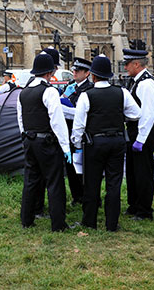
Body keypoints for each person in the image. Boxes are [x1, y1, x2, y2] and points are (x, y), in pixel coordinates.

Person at [71, 56, 141, 231]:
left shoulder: (87, 95)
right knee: (114, 183)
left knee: (91, 183)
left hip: (95, 142)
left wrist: (77, 144)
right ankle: (112, 223)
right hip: (117, 141)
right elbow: (136, 114)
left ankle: (90, 221)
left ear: (93, 76)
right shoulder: (122, 92)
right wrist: (119, 117)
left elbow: (79, 125)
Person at [17, 53, 72, 232]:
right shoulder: (49, 91)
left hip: (29, 140)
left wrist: (25, 137)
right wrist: (66, 147)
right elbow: (57, 121)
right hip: (46, 141)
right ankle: (58, 224)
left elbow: (20, 119)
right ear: (49, 73)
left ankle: (26, 219)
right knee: (54, 182)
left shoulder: (23, 93)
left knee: (31, 180)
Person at [123, 49, 154, 221]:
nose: (125, 67)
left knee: (143, 172)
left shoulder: (146, 84)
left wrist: (140, 139)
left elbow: (148, 114)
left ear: (136, 64)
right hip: (134, 130)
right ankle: (135, 205)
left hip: (142, 131)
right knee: (132, 170)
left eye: (127, 64)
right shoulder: (135, 81)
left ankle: (144, 210)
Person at [62, 57, 94, 207]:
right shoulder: (71, 86)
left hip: (82, 134)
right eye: (73, 70)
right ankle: (77, 195)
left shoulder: (89, 89)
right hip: (70, 132)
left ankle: (86, 195)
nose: (74, 72)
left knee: (84, 168)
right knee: (71, 168)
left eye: (78, 70)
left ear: (87, 73)